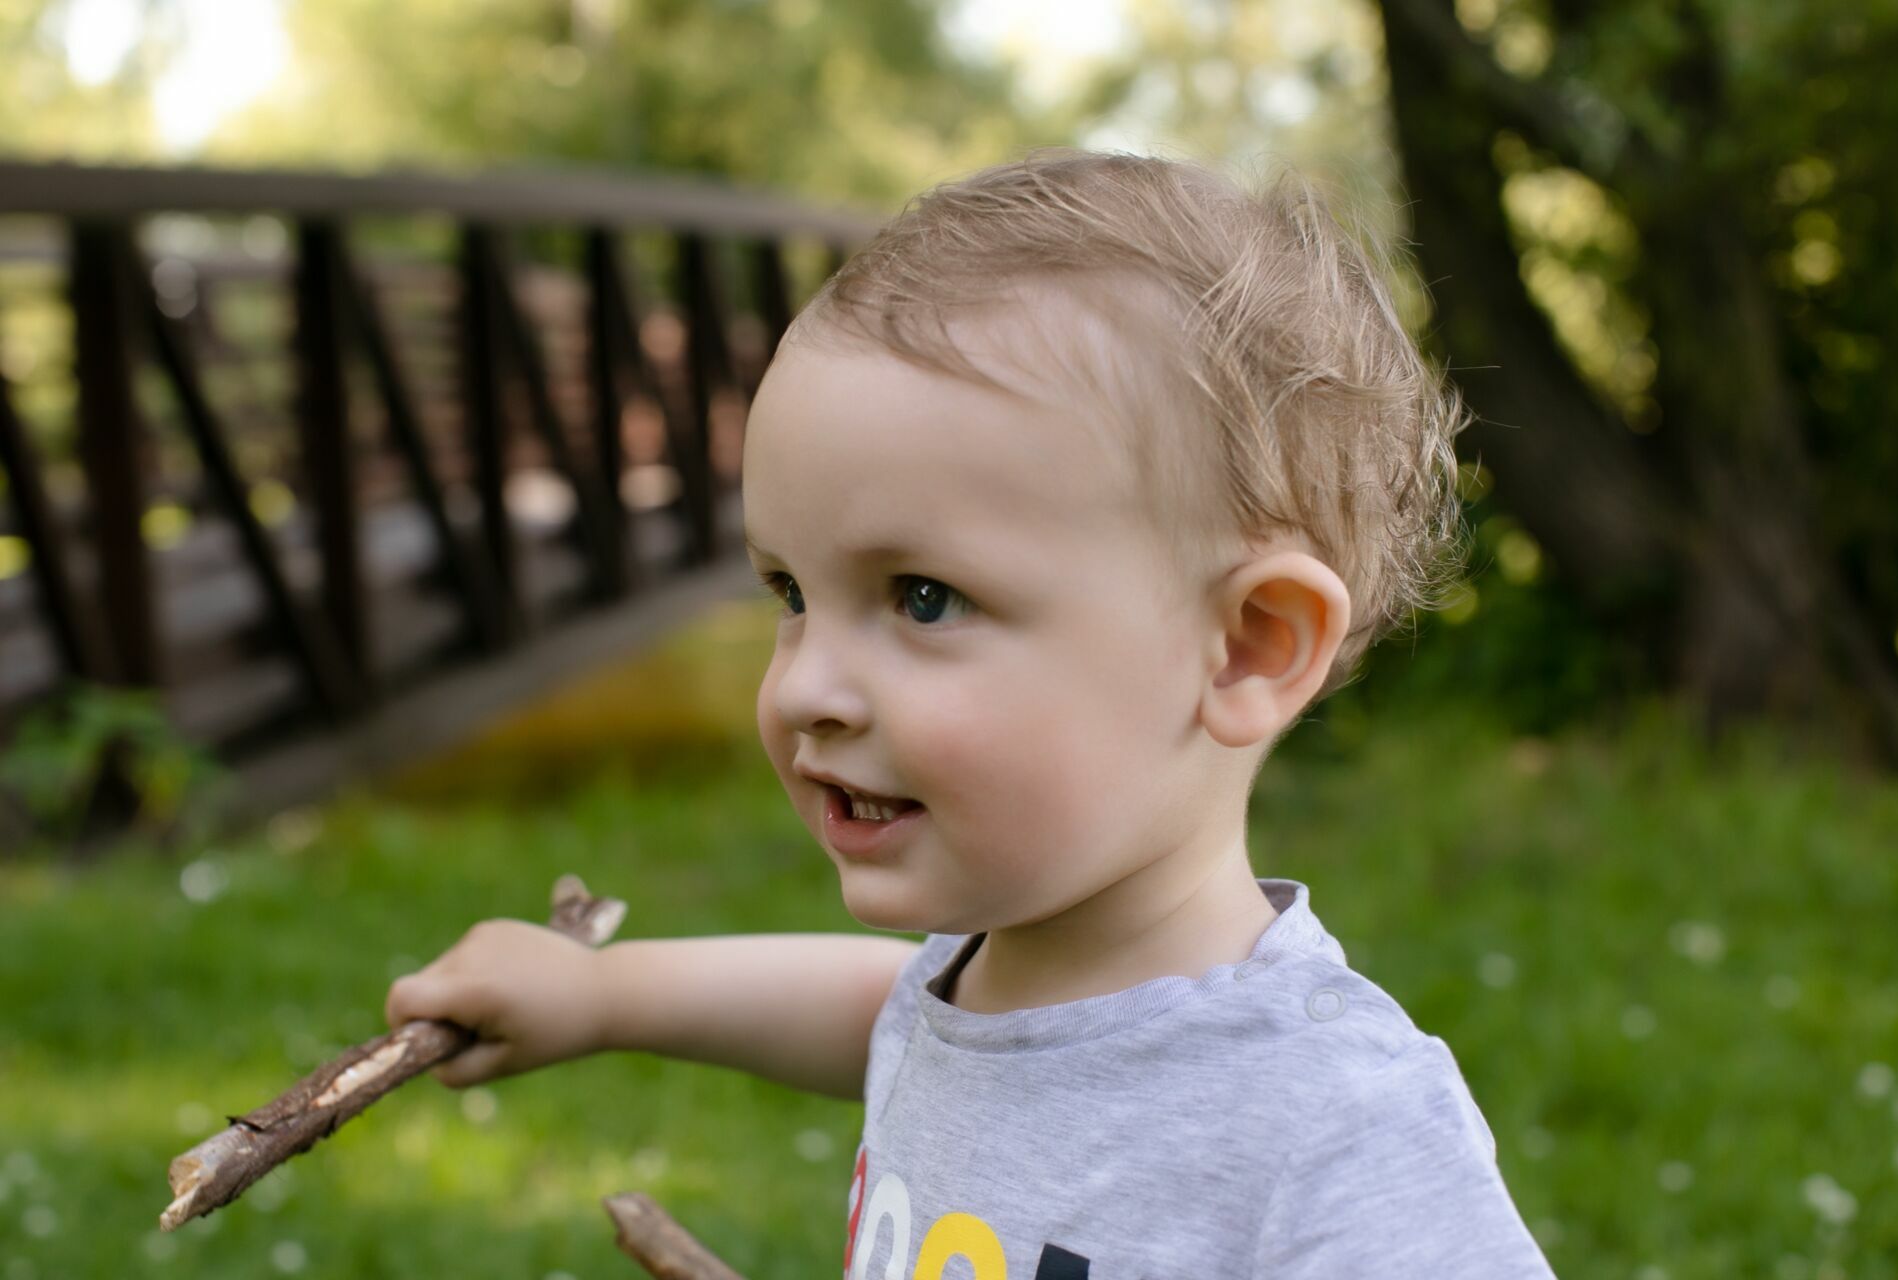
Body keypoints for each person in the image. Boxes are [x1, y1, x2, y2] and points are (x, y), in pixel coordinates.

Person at [386, 148, 1558, 1277]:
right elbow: (884, 1014)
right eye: (791, 593)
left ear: (1247, 647)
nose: (803, 686)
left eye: (924, 598)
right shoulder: (984, 977)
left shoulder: (1329, 1116)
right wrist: (603, 993)